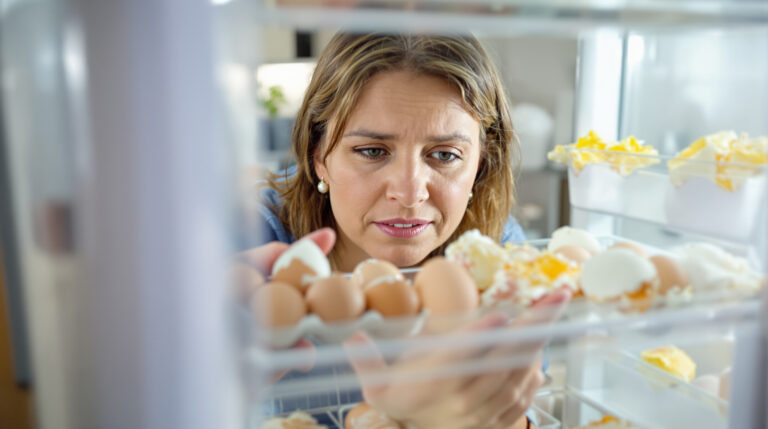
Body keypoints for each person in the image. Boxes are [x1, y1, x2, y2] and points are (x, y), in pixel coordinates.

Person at [238, 32, 571, 429]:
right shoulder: (258, 241)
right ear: (318, 158)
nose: (410, 193)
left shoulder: (498, 256)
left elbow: (523, 410)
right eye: (373, 151)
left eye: (445, 155)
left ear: (480, 166)